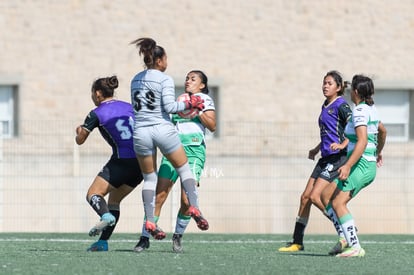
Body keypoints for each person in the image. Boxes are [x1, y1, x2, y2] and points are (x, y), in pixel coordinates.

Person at [129, 38, 209, 251]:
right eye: (165, 58)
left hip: (141, 132)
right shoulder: (164, 79)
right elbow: (170, 106)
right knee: (184, 170)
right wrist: (190, 103)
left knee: (149, 179)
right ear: (159, 60)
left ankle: (150, 222)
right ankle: (195, 208)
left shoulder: (135, 79)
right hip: (162, 129)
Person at [279, 70, 352, 252]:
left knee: (315, 196)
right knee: (305, 198)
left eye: (329, 83)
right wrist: (317, 148)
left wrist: (343, 144)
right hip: (325, 157)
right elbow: (328, 133)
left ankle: (346, 232)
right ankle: (297, 241)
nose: (325, 86)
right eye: (324, 83)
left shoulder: (342, 105)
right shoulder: (325, 105)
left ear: (339, 87)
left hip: (337, 158)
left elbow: (354, 130)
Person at [75, 75, 143, 252]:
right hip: (142, 163)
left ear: (98, 94)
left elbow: (80, 140)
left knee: (93, 194)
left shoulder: (96, 113)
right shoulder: (129, 107)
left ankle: (104, 216)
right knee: (114, 201)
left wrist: (79, 131)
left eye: (92, 93)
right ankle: (103, 242)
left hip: (122, 161)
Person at [329, 74, 386, 257]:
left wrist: (346, 167)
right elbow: (382, 130)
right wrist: (377, 152)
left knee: (338, 202)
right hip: (365, 163)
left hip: (361, 165)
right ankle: (348, 234)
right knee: (328, 197)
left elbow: (361, 141)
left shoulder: (360, 111)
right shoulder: (371, 108)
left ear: (355, 91)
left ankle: (354, 246)